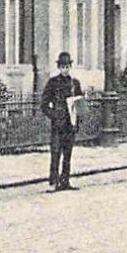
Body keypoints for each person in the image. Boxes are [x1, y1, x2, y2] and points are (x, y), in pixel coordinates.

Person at [41, 52, 83, 191]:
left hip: (70, 124)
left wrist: (77, 121)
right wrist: (54, 115)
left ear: (70, 67)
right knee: (55, 153)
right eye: (62, 66)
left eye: (67, 66)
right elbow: (44, 104)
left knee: (68, 154)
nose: (65, 69)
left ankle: (65, 181)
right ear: (59, 67)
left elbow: (79, 104)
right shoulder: (53, 83)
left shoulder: (74, 83)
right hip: (58, 125)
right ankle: (54, 182)